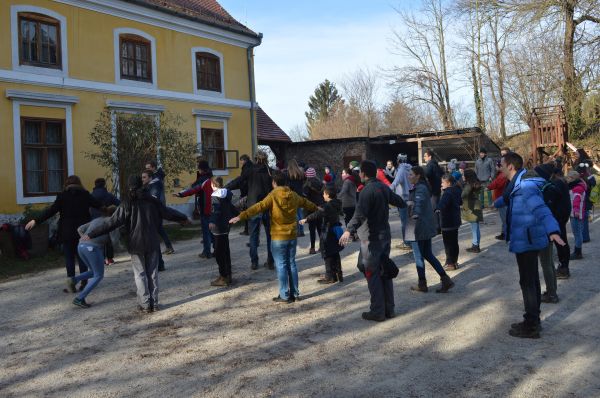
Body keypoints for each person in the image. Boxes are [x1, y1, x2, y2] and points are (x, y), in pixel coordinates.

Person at [83, 175, 189, 313]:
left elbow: (112, 222)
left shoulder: (127, 203)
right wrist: (183, 217)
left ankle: (144, 304)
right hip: (152, 241)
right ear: (142, 185)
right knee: (153, 273)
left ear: (129, 186)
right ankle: (154, 304)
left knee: (140, 274)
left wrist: (91, 234)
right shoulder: (152, 201)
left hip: (135, 243)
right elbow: (168, 212)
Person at [494, 152, 564, 338]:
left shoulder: (525, 186)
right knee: (530, 281)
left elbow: (540, 208)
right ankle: (533, 320)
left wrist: (553, 230)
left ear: (510, 166)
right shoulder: (518, 183)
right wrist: (498, 202)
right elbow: (509, 197)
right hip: (528, 238)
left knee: (528, 282)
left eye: (501, 164)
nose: (498, 167)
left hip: (528, 240)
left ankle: (531, 325)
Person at [229, 171, 318, 303]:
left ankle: (284, 295)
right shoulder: (293, 195)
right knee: (292, 264)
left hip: (278, 237)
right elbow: (306, 203)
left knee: (281, 265)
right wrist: (318, 207)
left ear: (274, 183)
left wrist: (241, 216)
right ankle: (295, 293)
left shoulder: (273, 195)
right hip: (292, 236)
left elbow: (259, 207)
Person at [339, 160, 406, 322]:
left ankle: (377, 311)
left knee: (372, 272)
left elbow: (359, 214)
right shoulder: (383, 187)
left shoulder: (367, 191)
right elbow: (400, 201)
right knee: (383, 271)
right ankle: (389, 309)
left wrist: (348, 230)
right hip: (384, 236)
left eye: (359, 172)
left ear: (363, 173)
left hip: (371, 239)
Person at [25, 175, 102, 292]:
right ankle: (84, 283)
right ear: (79, 183)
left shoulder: (62, 196)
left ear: (66, 184)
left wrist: (35, 220)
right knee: (82, 258)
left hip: (66, 233)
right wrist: (111, 211)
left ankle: (71, 285)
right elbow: (99, 205)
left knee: (69, 259)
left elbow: (50, 211)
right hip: (83, 233)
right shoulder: (85, 195)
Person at [406, 166, 455, 293]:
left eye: (411, 174)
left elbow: (419, 203)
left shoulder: (420, 188)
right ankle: (445, 280)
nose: (409, 176)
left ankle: (422, 284)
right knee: (427, 254)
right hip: (422, 225)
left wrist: (414, 214)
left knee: (418, 257)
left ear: (418, 176)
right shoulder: (421, 186)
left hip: (417, 226)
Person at [227, 151, 274, 270]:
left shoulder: (250, 170)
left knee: (253, 235)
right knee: (270, 235)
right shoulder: (270, 171)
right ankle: (270, 261)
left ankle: (254, 262)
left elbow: (239, 180)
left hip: (253, 206)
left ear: (255, 159)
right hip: (268, 206)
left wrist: (226, 187)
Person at [534, 163, 571, 302]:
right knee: (550, 257)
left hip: (554, 222)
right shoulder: (558, 183)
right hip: (558, 220)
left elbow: (549, 207)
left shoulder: (552, 187)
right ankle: (562, 270)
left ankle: (563, 270)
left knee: (549, 258)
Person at [68, 206, 117, 308]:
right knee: (99, 275)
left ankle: (74, 279)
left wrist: (84, 239)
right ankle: (80, 298)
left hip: (81, 246)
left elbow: (79, 229)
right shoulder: (112, 222)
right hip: (93, 248)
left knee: (93, 272)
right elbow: (115, 241)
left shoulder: (97, 219)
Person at [300, 186, 344, 284]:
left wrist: (306, 219)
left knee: (327, 254)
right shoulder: (337, 203)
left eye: (324, 194)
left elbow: (317, 214)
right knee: (335, 252)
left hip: (328, 232)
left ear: (328, 195)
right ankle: (338, 273)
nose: (323, 195)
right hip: (335, 229)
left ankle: (330, 276)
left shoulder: (328, 206)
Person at [175, 160, 213, 259]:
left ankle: (207, 251)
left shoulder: (204, 180)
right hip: (209, 207)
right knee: (210, 230)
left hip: (205, 207)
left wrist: (181, 194)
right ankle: (214, 250)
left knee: (206, 231)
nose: (198, 169)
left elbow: (194, 189)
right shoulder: (208, 178)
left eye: (198, 167)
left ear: (202, 169)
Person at [208, 177, 239, 287]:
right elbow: (231, 207)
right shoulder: (227, 194)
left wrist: (212, 221)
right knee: (226, 250)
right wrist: (237, 214)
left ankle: (223, 276)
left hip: (218, 227)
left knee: (219, 253)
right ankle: (228, 275)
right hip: (226, 225)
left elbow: (216, 210)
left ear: (213, 185)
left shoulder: (215, 195)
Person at [146, 160, 174, 255]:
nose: (147, 170)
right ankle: (167, 246)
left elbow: (155, 194)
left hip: (158, 206)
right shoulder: (155, 176)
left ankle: (166, 247)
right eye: (146, 168)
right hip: (157, 205)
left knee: (158, 228)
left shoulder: (156, 178)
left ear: (153, 168)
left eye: (148, 168)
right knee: (158, 228)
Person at [90, 178, 120, 265]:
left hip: (95, 220)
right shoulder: (109, 195)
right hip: (108, 220)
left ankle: (101, 259)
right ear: (104, 185)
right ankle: (110, 259)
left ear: (95, 185)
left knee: (98, 240)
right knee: (109, 240)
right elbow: (119, 203)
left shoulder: (91, 195)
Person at [142, 170, 168, 272]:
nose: (142, 179)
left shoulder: (154, 186)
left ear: (150, 177)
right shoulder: (149, 186)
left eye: (144, 177)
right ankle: (159, 264)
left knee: (154, 241)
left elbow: (154, 200)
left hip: (153, 217)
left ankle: (159, 264)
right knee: (153, 241)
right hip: (151, 217)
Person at [436, 174, 462, 271]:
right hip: (455, 221)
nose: (441, 184)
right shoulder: (457, 190)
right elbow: (460, 202)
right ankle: (454, 262)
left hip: (447, 222)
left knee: (448, 244)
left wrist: (437, 208)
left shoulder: (447, 193)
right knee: (454, 243)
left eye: (442, 182)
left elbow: (443, 204)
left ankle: (450, 263)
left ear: (449, 183)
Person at [226, 154, 253, 236]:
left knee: (239, 210)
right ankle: (247, 230)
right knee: (246, 212)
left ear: (244, 160)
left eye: (241, 161)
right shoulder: (251, 167)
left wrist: (229, 187)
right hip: (249, 193)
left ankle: (246, 230)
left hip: (246, 193)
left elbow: (242, 180)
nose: (240, 163)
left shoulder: (246, 169)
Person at [390, 153, 412, 250]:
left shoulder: (401, 170)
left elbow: (395, 183)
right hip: (411, 197)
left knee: (404, 222)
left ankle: (407, 242)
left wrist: (386, 190)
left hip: (403, 199)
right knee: (409, 221)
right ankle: (411, 241)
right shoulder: (410, 168)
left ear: (398, 160)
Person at [566, 170, 587, 260]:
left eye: (568, 178)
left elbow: (576, 200)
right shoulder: (577, 186)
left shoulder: (577, 188)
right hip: (575, 213)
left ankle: (577, 252)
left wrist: (576, 210)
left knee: (577, 233)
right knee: (577, 233)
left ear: (573, 178)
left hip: (576, 214)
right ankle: (578, 251)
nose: (567, 179)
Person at [462, 169, 483, 253]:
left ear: (468, 177)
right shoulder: (476, 183)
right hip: (476, 206)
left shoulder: (469, 185)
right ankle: (476, 245)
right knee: (476, 227)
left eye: (464, 175)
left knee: (474, 228)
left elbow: (463, 195)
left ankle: (475, 245)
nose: (463, 177)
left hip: (471, 208)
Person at [304, 167, 324, 255]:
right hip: (320, 207)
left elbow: (305, 198)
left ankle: (312, 248)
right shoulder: (321, 183)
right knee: (320, 228)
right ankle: (322, 246)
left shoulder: (306, 185)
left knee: (312, 229)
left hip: (311, 209)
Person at [285, 159, 307, 237]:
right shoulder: (300, 173)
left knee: (295, 214)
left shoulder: (288, 174)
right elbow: (304, 181)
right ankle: (301, 230)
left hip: (292, 195)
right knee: (300, 213)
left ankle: (298, 230)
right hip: (300, 195)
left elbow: (288, 186)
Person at [423, 148, 443, 233]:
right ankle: (439, 226)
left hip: (433, 190)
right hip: (437, 189)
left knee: (434, 209)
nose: (424, 158)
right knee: (437, 209)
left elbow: (426, 174)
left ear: (429, 157)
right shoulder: (436, 164)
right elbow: (442, 173)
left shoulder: (430, 165)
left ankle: (437, 228)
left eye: (425, 156)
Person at [488, 161, 509, 240]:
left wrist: (488, 187)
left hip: (502, 199)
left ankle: (506, 234)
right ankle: (504, 233)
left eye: (497, 166)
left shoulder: (503, 175)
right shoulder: (501, 174)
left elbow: (497, 183)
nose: (495, 167)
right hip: (500, 198)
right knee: (504, 218)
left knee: (504, 218)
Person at [577, 162, 596, 243]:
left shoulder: (579, 179)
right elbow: (594, 183)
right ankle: (585, 237)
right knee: (584, 220)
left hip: (581, 201)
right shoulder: (590, 178)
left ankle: (583, 237)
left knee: (581, 221)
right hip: (587, 201)